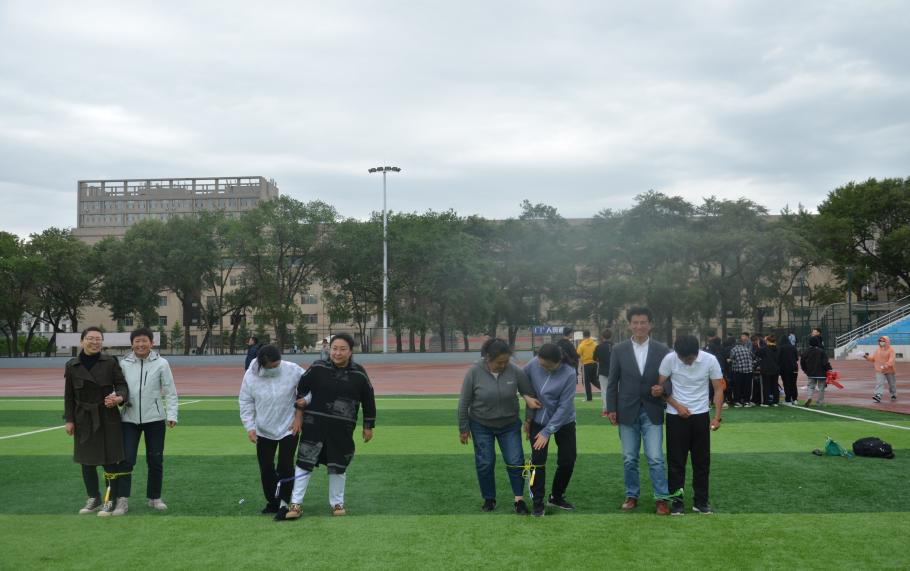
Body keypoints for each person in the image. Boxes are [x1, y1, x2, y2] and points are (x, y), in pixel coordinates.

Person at [279, 333, 376, 520]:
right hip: (314, 425)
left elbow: (368, 399)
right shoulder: (317, 368)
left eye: (342, 349)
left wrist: (368, 426)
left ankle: (337, 503)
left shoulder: (359, 373)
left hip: (342, 429)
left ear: (351, 351)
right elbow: (302, 390)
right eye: (334, 349)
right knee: (304, 462)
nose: (337, 353)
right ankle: (296, 504)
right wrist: (298, 415)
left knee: (338, 465)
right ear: (329, 350)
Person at [458, 338, 541, 515]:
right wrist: (463, 428)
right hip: (481, 425)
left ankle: (519, 500)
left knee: (515, 461)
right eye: (499, 362)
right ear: (488, 358)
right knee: (485, 462)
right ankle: (489, 499)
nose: (503, 365)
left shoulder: (515, 371)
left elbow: (529, 395)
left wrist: (528, 419)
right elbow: (464, 402)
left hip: (509, 425)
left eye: (506, 362)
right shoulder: (474, 372)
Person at [605, 306, 672, 515]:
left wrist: (663, 389)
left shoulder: (662, 349)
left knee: (656, 458)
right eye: (635, 322)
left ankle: (661, 498)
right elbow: (612, 381)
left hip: (653, 408)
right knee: (629, 458)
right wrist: (611, 408)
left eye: (643, 322)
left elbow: (671, 379)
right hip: (626, 409)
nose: (639, 326)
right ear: (629, 325)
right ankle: (631, 495)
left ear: (650, 325)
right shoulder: (619, 349)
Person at [64, 326, 129, 516]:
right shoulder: (72, 365)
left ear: (102, 342)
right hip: (83, 418)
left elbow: (122, 385)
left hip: (107, 416)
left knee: (110, 461)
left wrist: (119, 398)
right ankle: (93, 497)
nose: (94, 342)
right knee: (87, 462)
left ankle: (110, 499)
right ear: (82, 341)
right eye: (90, 338)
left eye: (98, 339)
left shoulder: (110, 362)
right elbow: (69, 395)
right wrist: (69, 420)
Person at [657, 335, 724, 515]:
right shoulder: (669, 359)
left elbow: (718, 389)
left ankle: (701, 502)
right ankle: (677, 503)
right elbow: (660, 389)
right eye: (682, 358)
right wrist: (677, 406)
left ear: (697, 352)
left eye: (690, 358)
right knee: (676, 462)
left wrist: (717, 417)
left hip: (701, 416)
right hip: (675, 416)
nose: (686, 362)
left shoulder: (710, 360)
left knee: (702, 462)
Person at [115, 327, 179, 515]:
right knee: (126, 460)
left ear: (152, 343)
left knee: (155, 459)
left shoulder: (162, 363)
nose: (141, 344)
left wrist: (172, 414)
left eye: (144, 341)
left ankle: (154, 497)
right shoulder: (124, 363)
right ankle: (122, 500)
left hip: (155, 419)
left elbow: (170, 391)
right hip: (129, 419)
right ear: (132, 344)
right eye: (137, 341)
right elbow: (118, 388)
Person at [239, 344, 306, 516]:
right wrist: (250, 426)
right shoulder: (250, 375)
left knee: (285, 466)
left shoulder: (293, 369)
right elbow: (245, 401)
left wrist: (299, 416)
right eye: (272, 366)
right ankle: (272, 502)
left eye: (278, 364)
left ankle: (284, 502)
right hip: (263, 429)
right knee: (266, 468)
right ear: (262, 364)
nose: (276, 368)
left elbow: (308, 389)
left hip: (289, 427)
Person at [522, 343, 577, 517]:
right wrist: (527, 398)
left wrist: (547, 431)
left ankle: (556, 496)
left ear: (558, 362)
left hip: (564, 422)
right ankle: (537, 502)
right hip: (538, 420)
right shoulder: (534, 363)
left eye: (546, 366)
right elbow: (520, 381)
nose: (542, 367)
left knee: (568, 460)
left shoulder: (569, 373)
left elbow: (564, 407)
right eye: (540, 364)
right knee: (537, 461)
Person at [800, 335, 831, 407]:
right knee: (821, 387)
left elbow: (802, 362)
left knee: (810, 386)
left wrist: (805, 370)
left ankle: (809, 397)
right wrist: (829, 369)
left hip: (810, 372)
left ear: (809, 343)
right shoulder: (821, 351)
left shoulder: (806, 352)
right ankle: (820, 402)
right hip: (821, 373)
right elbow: (825, 362)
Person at [865, 336, 897, 403]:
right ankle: (878, 395)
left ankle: (893, 394)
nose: (881, 342)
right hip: (879, 370)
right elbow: (873, 359)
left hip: (889, 370)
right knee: (879, 383)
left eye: (883, 341)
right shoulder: (877, 350)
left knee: (892, 384)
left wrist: (886, 365)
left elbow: (892, 360)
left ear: (887, 341)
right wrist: (865, 356)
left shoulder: (891, 350)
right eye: (880, 341)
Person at [729, 333, 755, 407]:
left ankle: (737, 401)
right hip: (749, 371)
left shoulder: (733, 350)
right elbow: (753, 357)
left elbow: (731, 358)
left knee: (737, 387)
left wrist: (730, 360)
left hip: (738, 371)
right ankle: (746, 401)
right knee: (747, 387)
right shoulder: (747, 349)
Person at [756, 334, 781, 406]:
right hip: (776, 369)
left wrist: (759, 345)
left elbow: (757, 353)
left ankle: (766, 402)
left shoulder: (764, 348)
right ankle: (775, 401)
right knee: (775, 385)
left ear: (767, 341)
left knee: (766, 386)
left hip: (766, 369)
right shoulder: (778, 348)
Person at [778, 334, 800, 405]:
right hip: (794, 368)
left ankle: (788, 399)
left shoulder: (781, 348)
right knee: (793, 384)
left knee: (786, 384)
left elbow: (778, 358)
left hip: (784, 368)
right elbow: (796, 358)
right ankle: (795, 399)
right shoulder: (793, 347)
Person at [595, 330, 614, 413]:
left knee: (604, 391)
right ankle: (614, 409)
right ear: (611, 336)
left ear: (602, 337)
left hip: (603, 371)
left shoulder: (599, 346)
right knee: (614, 390)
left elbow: (594, 358)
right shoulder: (615, 346)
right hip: (614, 371)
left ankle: (606, 410)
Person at [577, 330, 598, 401]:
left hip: (586, 364)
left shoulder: (581, 345)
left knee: (586, 382)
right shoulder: (595, 344)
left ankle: (588, 398)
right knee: (594, 380)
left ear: (583, 336)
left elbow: (578, 353)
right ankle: (604, 389)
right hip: (594, 363)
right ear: (590, 335)